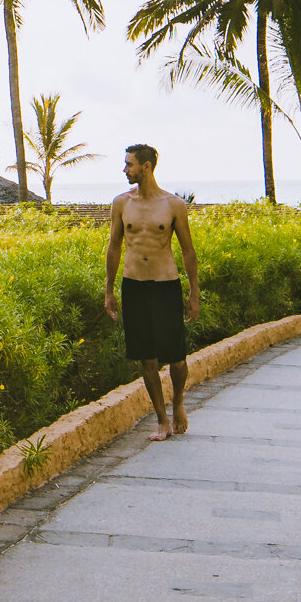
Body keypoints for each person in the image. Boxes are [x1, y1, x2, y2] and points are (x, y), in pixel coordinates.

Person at [103, 142, 199, 439]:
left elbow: (187, 251)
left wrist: (194, 293)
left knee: (177, 357)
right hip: (134, 287)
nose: (125, 169)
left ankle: (179, 404)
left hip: (165, 286)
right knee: (147, 359)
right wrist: (109, 290)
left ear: (146, 167)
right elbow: (114, 247)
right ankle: (161, 420)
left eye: (129, 164)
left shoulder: (173, 205)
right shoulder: (121, 203)